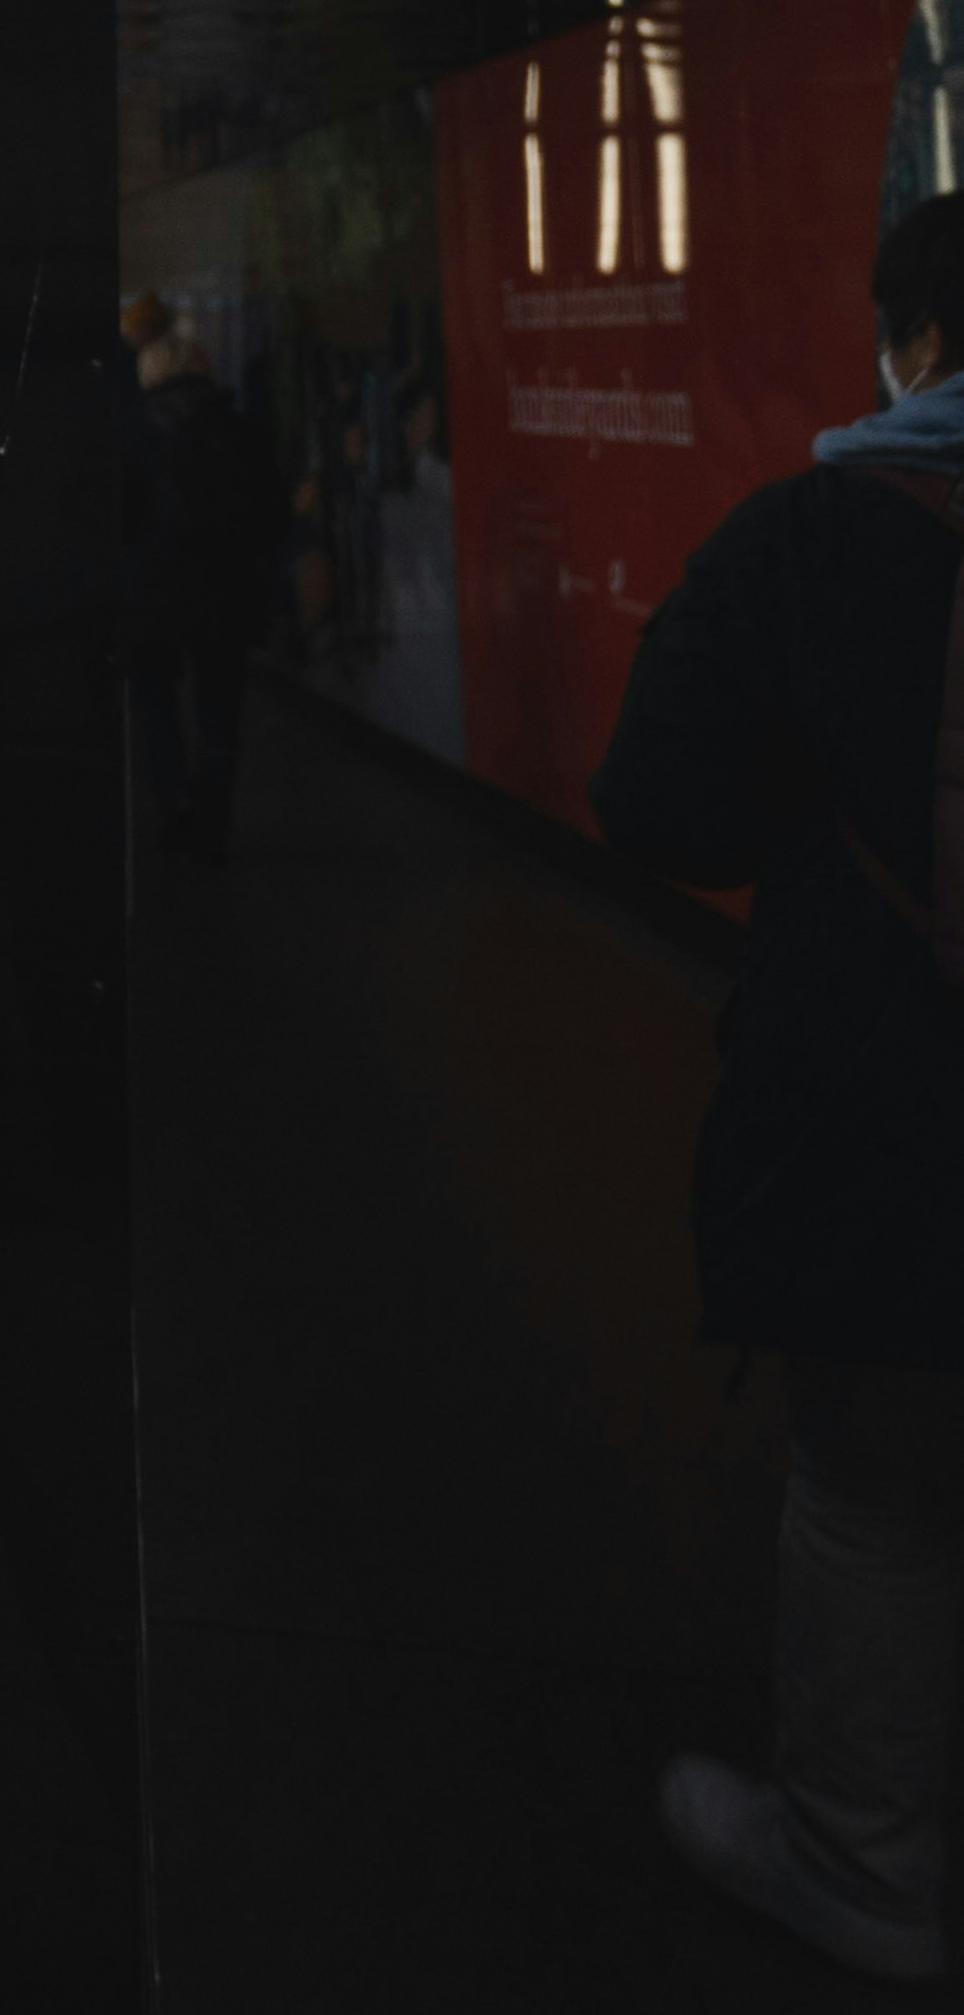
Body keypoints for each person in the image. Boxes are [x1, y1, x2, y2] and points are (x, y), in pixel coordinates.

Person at [600, 192, 964, 1985]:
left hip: (883, 1112)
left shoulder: (805, 539)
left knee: (876, 1487)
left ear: (908, 342)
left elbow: (650, 801)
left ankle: (868, 1867)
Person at [122, 296, 277, 854]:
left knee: (154, 702)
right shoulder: (237, 431)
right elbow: (269, 513)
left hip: (150, 594)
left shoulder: (129, 435)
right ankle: (214, 812)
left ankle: (174, 803)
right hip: (223, 594)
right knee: (219, 709)